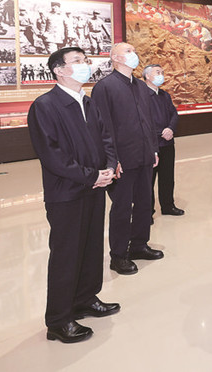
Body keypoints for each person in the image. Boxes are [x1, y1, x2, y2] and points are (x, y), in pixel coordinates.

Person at [27, 47, 120, 344]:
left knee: (91, 247)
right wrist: (90, 176)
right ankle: (58, 320)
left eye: (85, 61)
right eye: (77, 61)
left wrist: (108, 167)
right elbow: (51, 155)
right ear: (59, 70)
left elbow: (106, 138)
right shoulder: (45, 106)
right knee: (66, 254)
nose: (85, 65)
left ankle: (85, 299)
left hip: (94, 187)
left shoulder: (88, 102)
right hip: (66, 192)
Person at [91, 43, 163, 275]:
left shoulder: (140, 86)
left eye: (134, 50)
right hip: (122, 159)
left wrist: (153, 149)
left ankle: (139, 245)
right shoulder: (105, 87)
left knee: (144, 203)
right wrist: (112, 161)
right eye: (128, 51)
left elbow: (148, 120)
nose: (134, 54)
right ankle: (119, 255)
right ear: (115, 58)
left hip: (144, 155)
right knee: (122, 208)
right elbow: (103, 127)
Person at [143, 63, 184, 217]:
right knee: (148, 180)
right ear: (147, 76)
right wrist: (161, 132)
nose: (161, 75)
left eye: (162, 72)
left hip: (167, 142)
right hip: (150, 144)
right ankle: (147, 212)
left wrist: (171, 128)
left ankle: (168, 206)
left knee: (167, 177)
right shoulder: (141, 95)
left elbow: (174, 114)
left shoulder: (164, 95)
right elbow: (142, 121)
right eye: (157, 72)